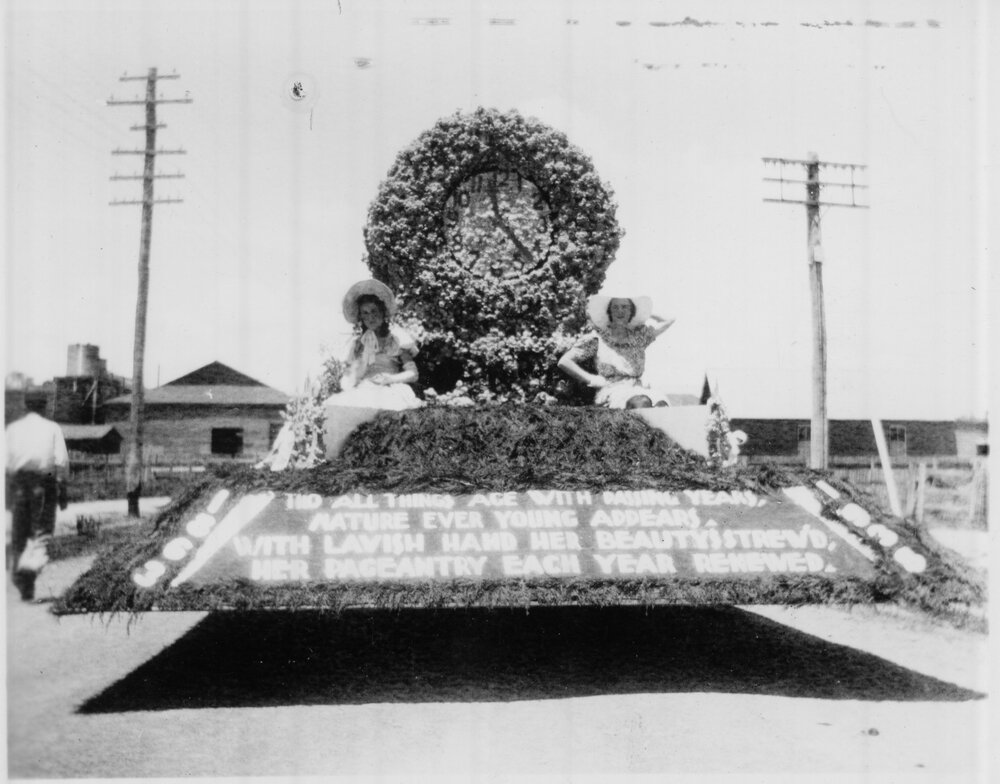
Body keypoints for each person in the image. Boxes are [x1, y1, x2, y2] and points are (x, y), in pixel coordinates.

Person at [558, 295, 675, 409]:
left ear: (631, 311)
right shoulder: (598, 339)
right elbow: (564, 361)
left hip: (638, 388)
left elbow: (670, 319)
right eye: (615, 307)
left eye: (625, 307)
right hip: (612, 391)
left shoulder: (639, 338)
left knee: (661, 404)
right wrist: (591, 379)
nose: (620, 311)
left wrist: (643, 313)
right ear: (609, 311)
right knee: (642, 402)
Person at [323, 278, 422, 410]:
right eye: (365, 313)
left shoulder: (395, 339)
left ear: (383, 312)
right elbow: (349, 378)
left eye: (374, 311)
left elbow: (413, 374)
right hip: (364, 390)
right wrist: (355, 374)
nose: (370, 317)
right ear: (361, 318)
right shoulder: (358, 344)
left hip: (390, 389)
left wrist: (389, 379)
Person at [5, 398, 69, 601]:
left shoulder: (13, 429)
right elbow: (61, 460)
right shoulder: (52, 428)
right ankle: (28, 571)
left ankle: (21, 579)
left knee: (19, 533)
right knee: (40, 532)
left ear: (25, 406)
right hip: (44, 484)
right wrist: (63, 489)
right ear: (44, 406)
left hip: (17, 484)